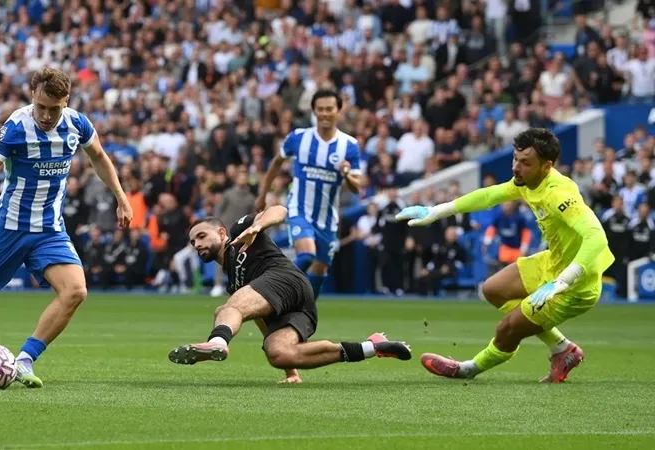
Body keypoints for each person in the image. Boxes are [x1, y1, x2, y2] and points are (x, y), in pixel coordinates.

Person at [0, 67, 134, 388]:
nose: (47, 116)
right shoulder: (14, 129)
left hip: (50, 229)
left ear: (66, 101)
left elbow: (100, 158)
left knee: (75, 291)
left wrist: (121, 197)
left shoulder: (77, 124)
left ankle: (24, 359)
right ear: (32, 96)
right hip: (9, 229)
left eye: (55, 108)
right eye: (41, 107)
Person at [397, 128, 614, 383]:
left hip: (576, 284)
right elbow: (490, 195)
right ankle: (562, 349)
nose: (516, 167)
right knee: (493, 289)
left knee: (507, 329)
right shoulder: (527, 181)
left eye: (525, 163)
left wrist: (563, 281)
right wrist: (437, 211)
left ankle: (467, 369)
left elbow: (597, 237)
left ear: (547, 166)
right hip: (552, 262)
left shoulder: (558, 194)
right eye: (515, 159)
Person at [168, 205, 411, 383]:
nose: (197, 244)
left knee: (225, 309)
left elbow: (280, 210)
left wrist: (257, 226)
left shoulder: (241, 232)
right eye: (192, 242)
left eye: (201, 236)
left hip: (285, 278)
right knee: (279, 353)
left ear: (221, 233)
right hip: (299, 308)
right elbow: (261, 319)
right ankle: (372, 347)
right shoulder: (235, 282)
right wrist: (290, 371)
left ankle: (217, 343)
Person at [255, 89, 364, 299]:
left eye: (329, 109)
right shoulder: (299, 138)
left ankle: (302, 313)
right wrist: (262, 194)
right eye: (320, 109)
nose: (324, 113)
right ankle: (271, 293)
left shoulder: (349, 145)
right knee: (306, 255)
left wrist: (347, 174)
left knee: (320, 269)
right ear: (314, 111)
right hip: (299, 209)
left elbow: (357, 187)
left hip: (327, 219)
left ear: (338, 111)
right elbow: (276, 162)